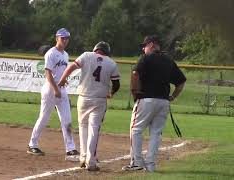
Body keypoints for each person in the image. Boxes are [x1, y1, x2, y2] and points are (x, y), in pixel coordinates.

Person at [122, 35, 186, 172]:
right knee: (156, 133)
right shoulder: (169, 61)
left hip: (146, 99)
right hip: (163, 102)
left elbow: (135, 73)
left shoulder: (146, 58)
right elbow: (181, 82)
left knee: (136, 130)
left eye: (144, 46)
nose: (143, 49)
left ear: (151, 45)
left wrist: (134, 92)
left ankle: (137, 163)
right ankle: (150, 166)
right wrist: (173, 97)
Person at [58, 41, 121, 171]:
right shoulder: (111, 63)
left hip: (83, 98)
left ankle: (83, 157)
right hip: (99, 99)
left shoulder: (86, 55)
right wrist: (112, 93)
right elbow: (116, 84)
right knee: (94, 129)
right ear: (107, 52)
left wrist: (63, 78)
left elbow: (71, 67)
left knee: (83, 127)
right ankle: (91, 161)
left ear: (95, 49)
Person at [27, 28, 79, 160]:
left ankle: (71, 148)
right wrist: (56, 89)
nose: (65, 40)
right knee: (44, 117)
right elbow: (48, 74)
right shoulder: (51, 53)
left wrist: (63, 80)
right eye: (63, 38)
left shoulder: (65, 55)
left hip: (61, 89)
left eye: (67, 38)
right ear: (57, 38)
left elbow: (60, 72)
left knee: (67, 119)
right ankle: (32, 144)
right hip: (50, 89)